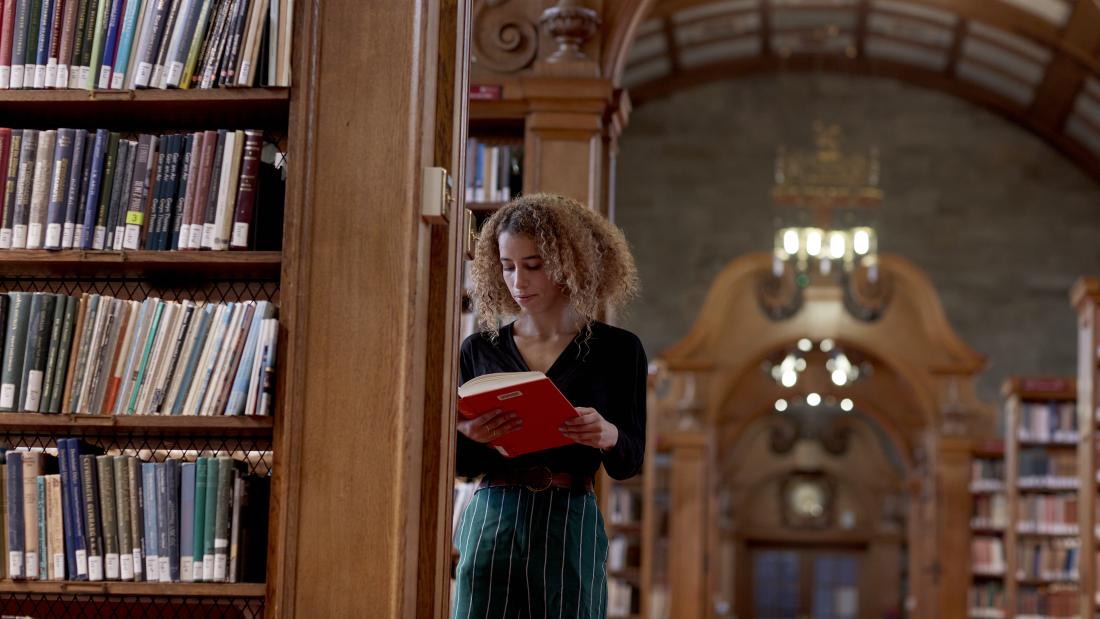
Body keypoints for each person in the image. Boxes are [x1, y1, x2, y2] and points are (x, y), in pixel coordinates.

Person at [453, 192, 647, 619]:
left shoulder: (618, 351)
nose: (518, 282)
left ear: (568, 262)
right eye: (507, 267)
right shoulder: (478, 350)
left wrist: (609, 435)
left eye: (533, 266)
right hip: (492, 515)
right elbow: (458, 465)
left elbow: (630, 461)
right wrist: (468, 435)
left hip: (570, 517)